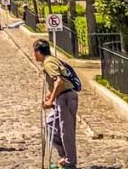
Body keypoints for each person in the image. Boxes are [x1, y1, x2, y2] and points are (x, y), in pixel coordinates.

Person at [34, 39, 78, 169]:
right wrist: (52, 94)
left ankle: (70, 162)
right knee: (49, 125)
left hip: (66, 98)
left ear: (38, 52)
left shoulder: (48, 62)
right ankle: (64, 155)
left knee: (66, 131)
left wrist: (50, 100)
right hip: (62, 97)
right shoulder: (51, 60)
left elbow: (59, 81)